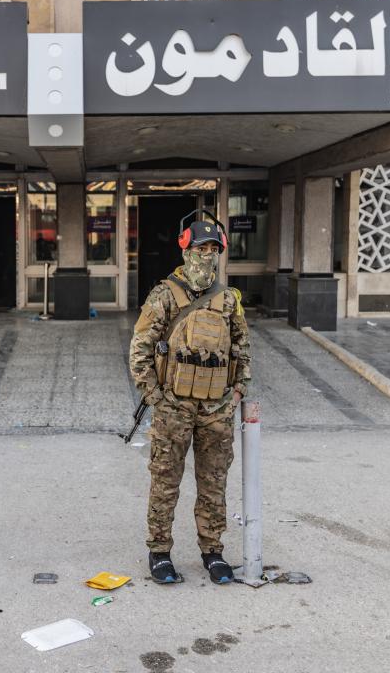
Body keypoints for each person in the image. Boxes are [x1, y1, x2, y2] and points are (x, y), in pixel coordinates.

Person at [129, 215, 250, 585]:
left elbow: (242, 348)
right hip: (174, 406)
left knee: (213, 482)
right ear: (186, 249)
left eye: (214, 250)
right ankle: (160, 551)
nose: (208, 256)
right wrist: (155, 396)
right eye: (201, 249)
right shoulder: (164, 295)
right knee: (166, 480)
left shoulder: (228, 299)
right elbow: (140, 350)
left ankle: (213, 551)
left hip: (216, 407)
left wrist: (238, 391)